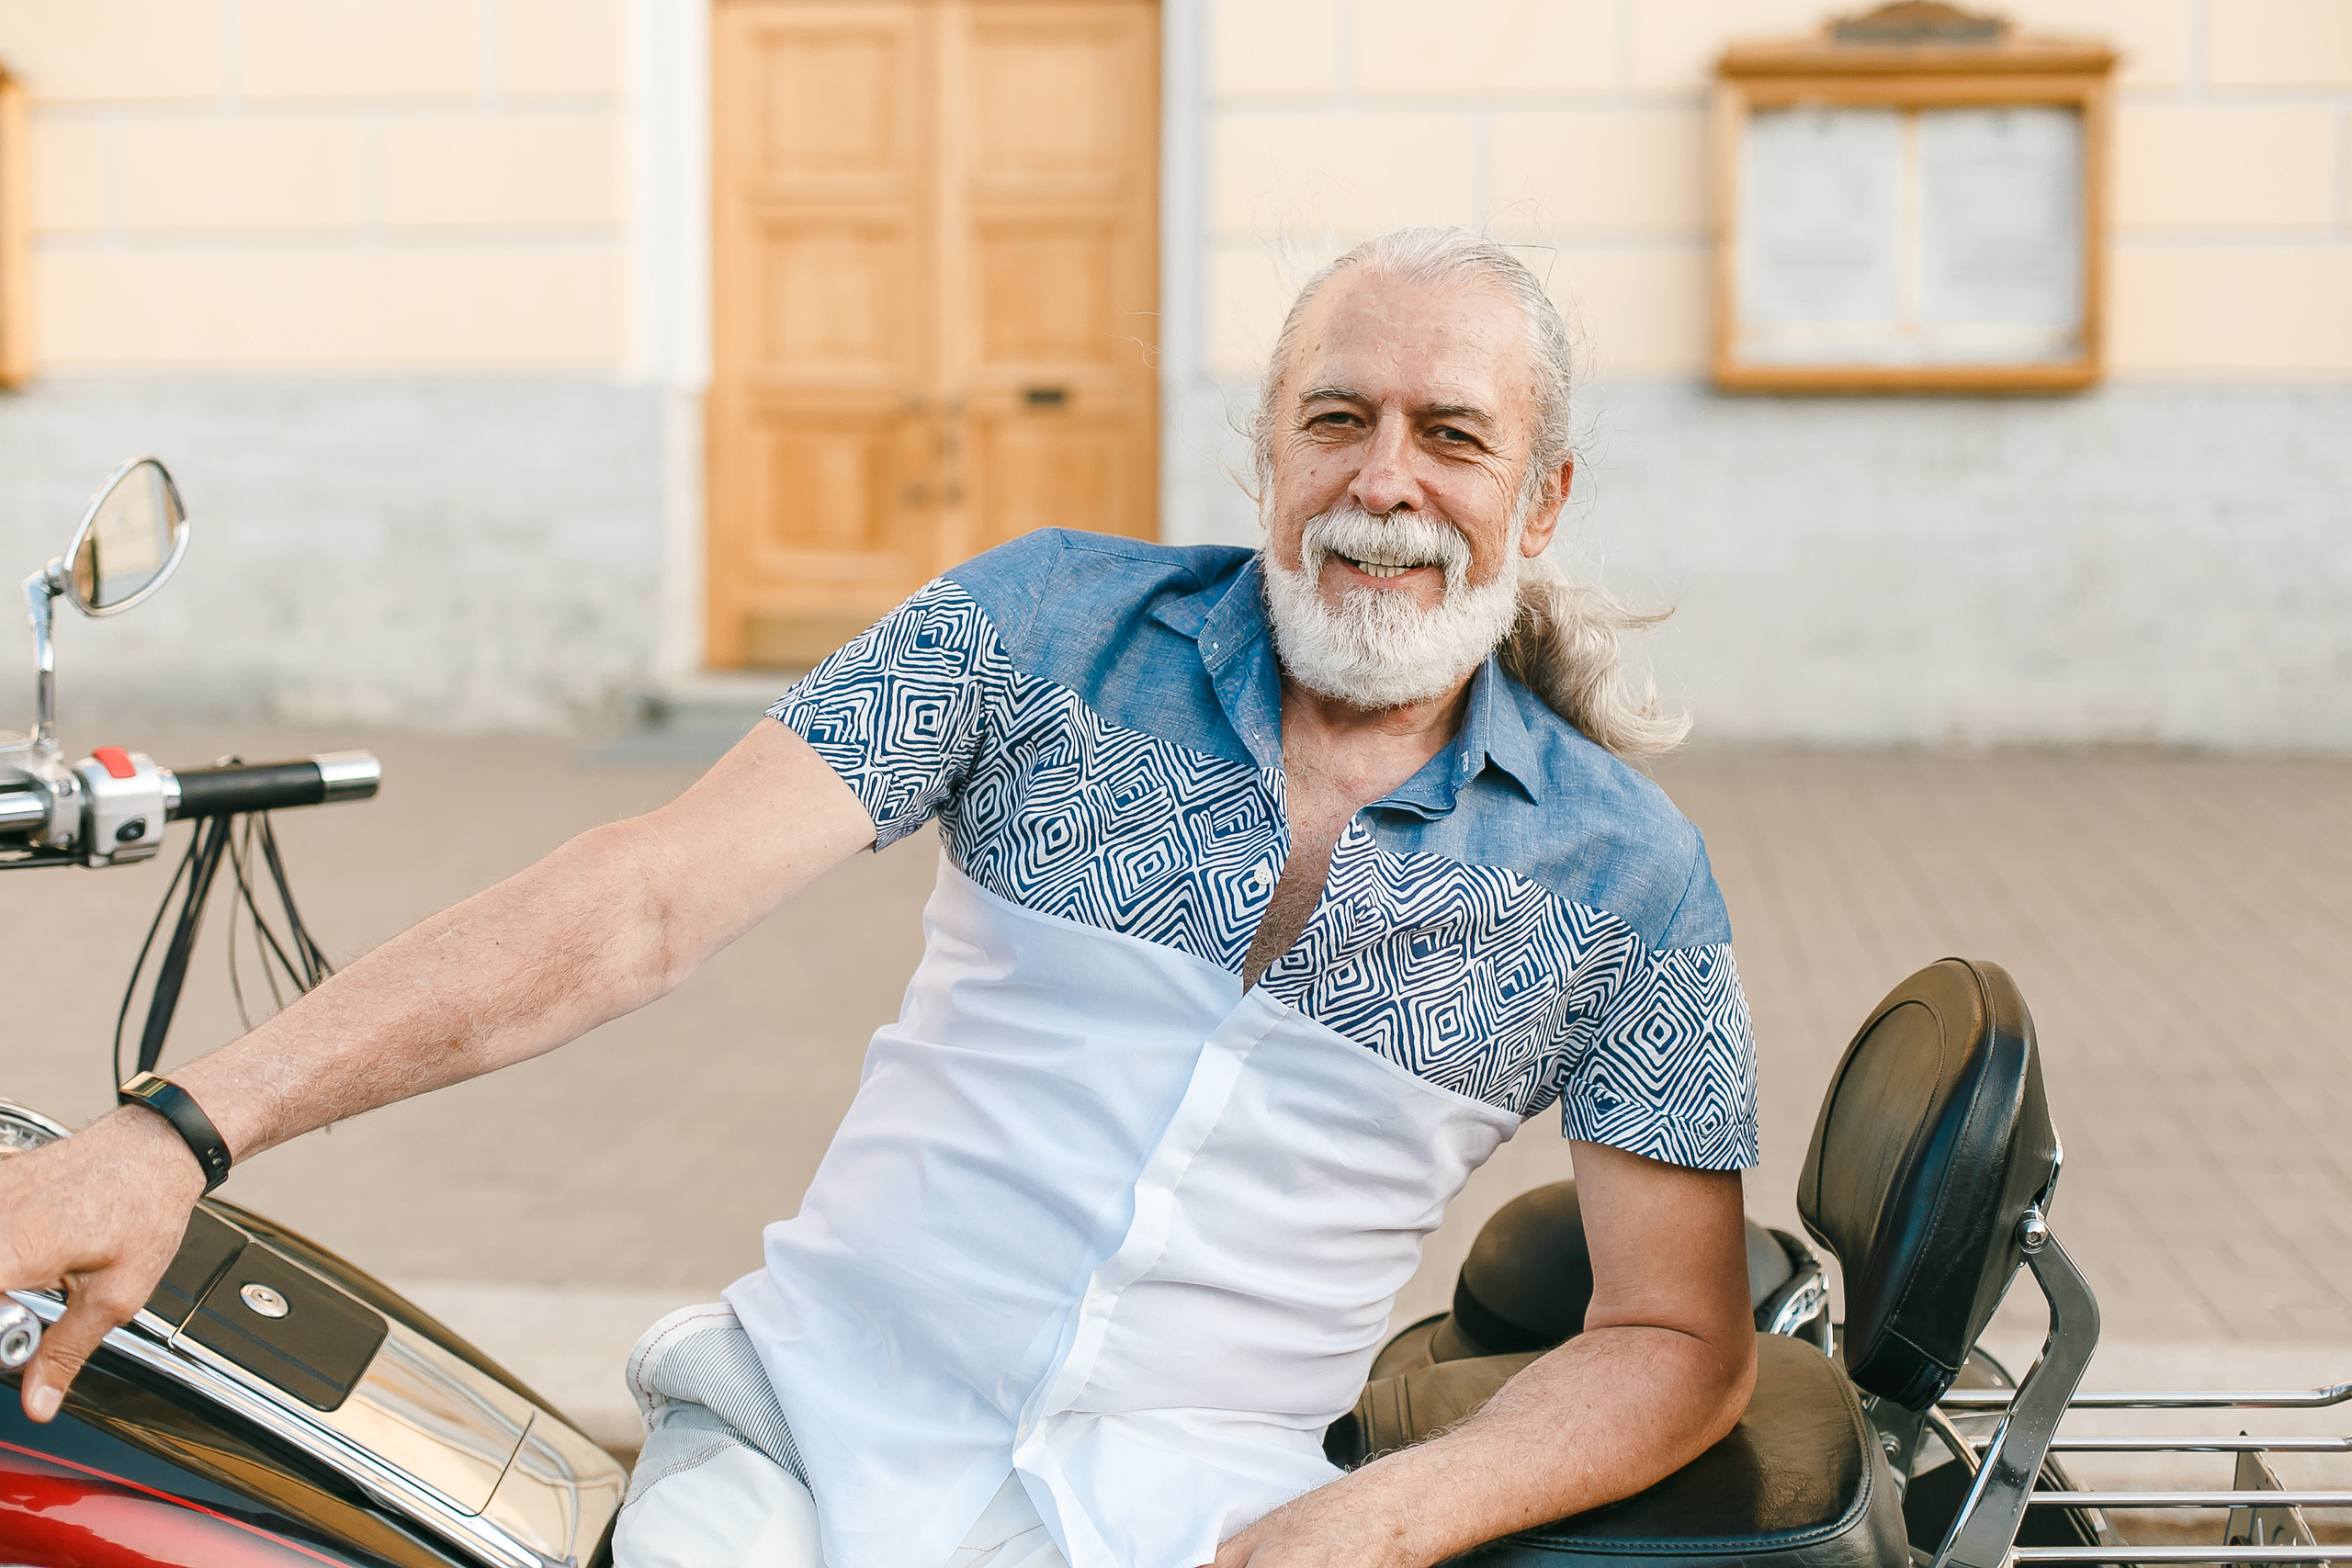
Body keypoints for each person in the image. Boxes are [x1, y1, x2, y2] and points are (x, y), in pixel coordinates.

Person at [0, 227, 1761, 1568]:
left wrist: (1397, 1514)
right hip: (802, 1446)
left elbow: (1676, 1333)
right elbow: (644, 901)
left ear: (1541, 502)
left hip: (1200, 1525)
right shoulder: (1039, 628)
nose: (1385, 481)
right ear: (1267, 456)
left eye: (1452, 436)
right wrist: (173, 1135)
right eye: (1338, 419)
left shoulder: (1629, 883)